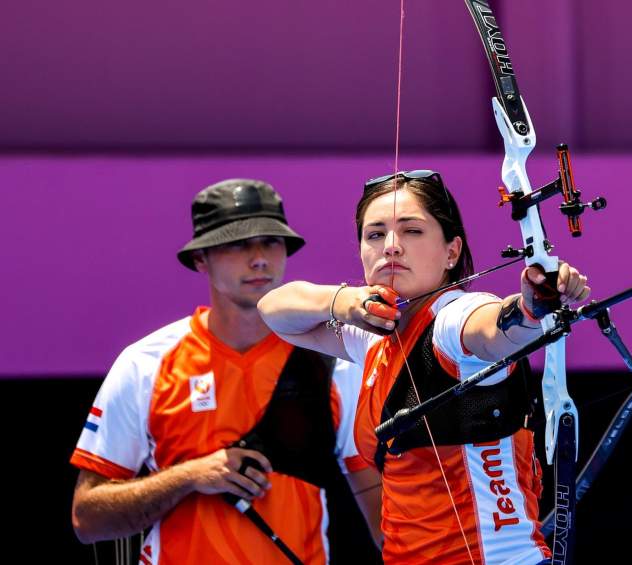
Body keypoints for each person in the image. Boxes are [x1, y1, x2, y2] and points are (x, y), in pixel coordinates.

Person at [257, 170, 591, 564]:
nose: (391, 247)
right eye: (375, 234)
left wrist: (530, 307)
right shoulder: (374, 335)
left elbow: (492, 331)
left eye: (412, 231)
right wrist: (344, 303)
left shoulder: (452, 319)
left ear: (452, 251)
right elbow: (274, 310)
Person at [70, 179, 382, 564]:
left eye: (271, 241)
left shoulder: (333, 362)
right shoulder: (145, 364)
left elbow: (380, 513)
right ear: (201, 259)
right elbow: (87, 518)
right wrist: (189, 476)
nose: (259, 258)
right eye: (237, 243)